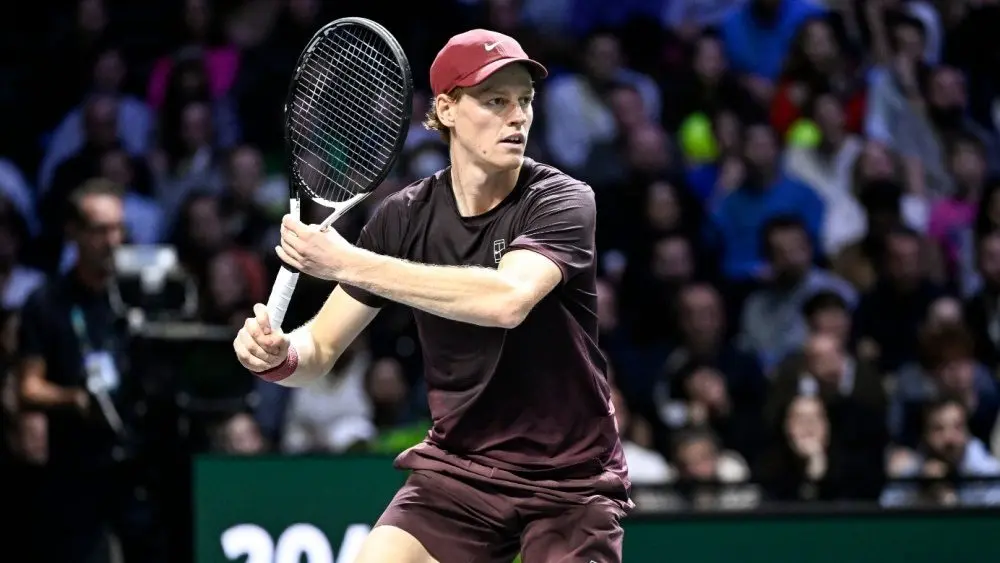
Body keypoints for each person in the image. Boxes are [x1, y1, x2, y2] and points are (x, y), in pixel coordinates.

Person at [233, 29, 632, 563]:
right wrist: (281, 357)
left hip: (569, 479)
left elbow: (506, 301)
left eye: (525, 101)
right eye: (495, 101)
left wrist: (349, 261)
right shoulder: (404, 217)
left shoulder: (560, 199)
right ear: (446, 109)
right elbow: (321, 350)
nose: (517, 117)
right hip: (460, 471)